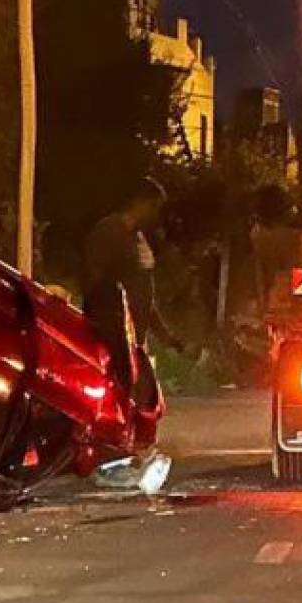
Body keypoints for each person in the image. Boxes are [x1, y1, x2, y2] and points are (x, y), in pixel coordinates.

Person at [82, 177, 181, 493]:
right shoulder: (110, 233)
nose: (156, 214)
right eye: (154, 206)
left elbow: (143, 293)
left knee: (142, 396)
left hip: (133, 334)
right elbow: (98, 281)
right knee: (120, 393)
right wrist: (106, 325)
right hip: (113, 329)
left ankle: (128, 455)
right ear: (139, 202)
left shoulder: (137, 237)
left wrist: (166, 334)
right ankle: (109, 459)